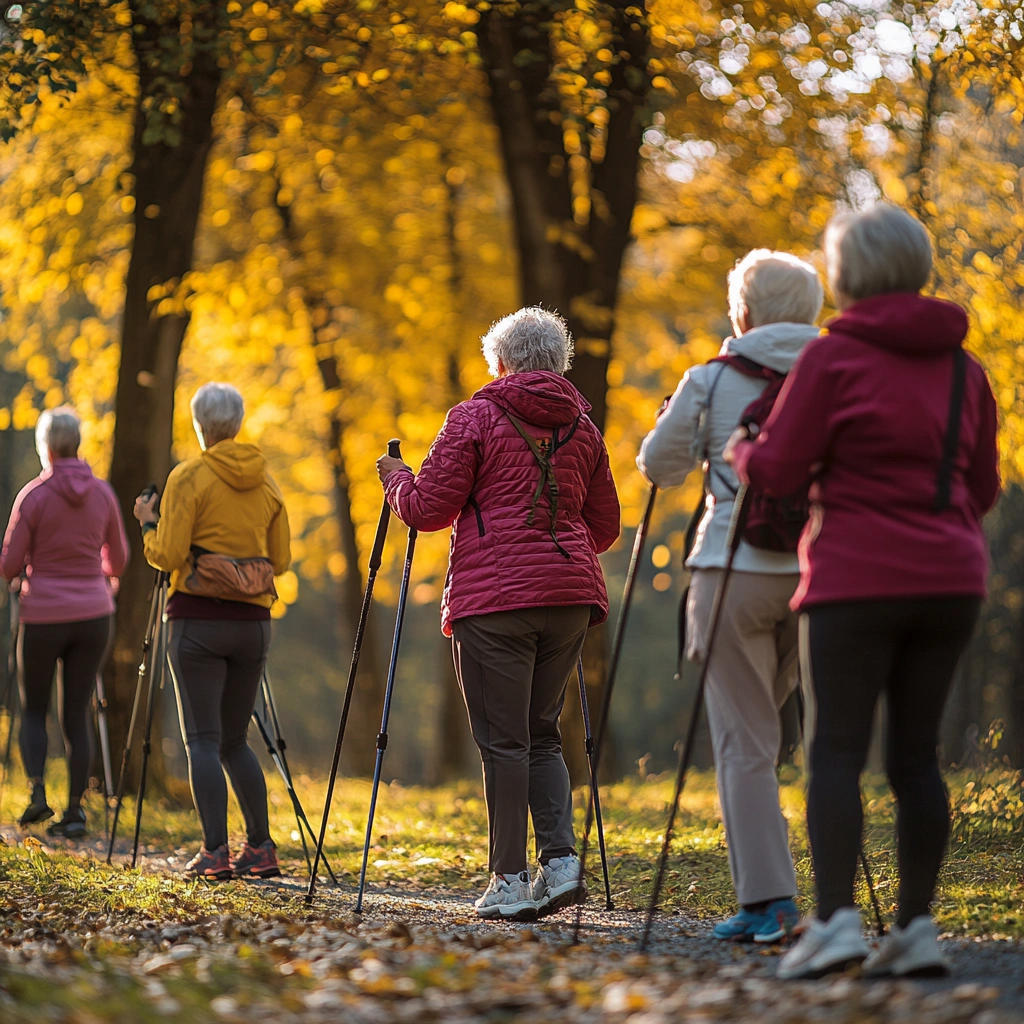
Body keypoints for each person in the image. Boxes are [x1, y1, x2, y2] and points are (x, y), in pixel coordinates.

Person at [725, 204, 1001, 979]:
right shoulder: (965, 370)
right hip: (951, 579)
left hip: (852, 576)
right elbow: (981, 486)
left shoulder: (832, 359)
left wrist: (745, 451)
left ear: (847, 275)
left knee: (836, 752)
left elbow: (780, 469)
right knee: (918, 757)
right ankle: (915, 928)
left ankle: (837, 924)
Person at [377, 307, 620, 921]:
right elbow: (606, 527)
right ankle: (561, 865)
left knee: (503, 743)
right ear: (557, 360)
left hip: (495, 603)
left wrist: (395, 478)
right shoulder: (584, 427)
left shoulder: (475, 416)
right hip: (569, 598)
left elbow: (428, 509)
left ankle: (509, 880)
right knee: (541, 734)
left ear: (502, 362)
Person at [638, 250, 824, 944]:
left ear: (742, 310)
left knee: (745, 742)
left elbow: (659, 465)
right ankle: (831, 901)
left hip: (731, 566)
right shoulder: (843, 375)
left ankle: (770, 903)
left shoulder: (713, 378)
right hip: (820, 572)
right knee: (808, 735)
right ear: (812, 312)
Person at [134, 383, 291, 881]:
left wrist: (146, 525)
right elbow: (281, 559)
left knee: (201, 739)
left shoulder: (190, 477)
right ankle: (262, 848)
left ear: (201, 426)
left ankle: (215, 852)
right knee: (234, 740)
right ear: (238, 423)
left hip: (197, 620)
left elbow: (170, 555)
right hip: (253, 625)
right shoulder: (267, 482)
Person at [1, 407, 129, 837]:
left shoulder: (33, 496)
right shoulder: (103, 494)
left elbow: (9, 564)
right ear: (76, 444)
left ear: (47, 446)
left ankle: (38, 795)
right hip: (94, 615)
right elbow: (120, 559)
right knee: (77, 711)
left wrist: (23, 572)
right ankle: (76, 811)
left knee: (35, 708)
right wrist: (100, 575)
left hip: (43, 615)